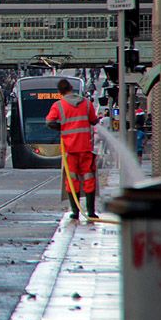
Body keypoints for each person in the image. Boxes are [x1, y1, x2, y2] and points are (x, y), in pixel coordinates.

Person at [46, 78, 100, 219]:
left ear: (60, 92)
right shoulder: (87, 104)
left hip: (70, 149)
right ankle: (91, 211)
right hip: (85, 147)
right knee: (89, 178)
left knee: (72, 179)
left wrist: (62, 127)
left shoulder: (58, 105)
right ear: (71, 88)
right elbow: (94, 120)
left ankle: (75, 212)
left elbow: (49, 122)